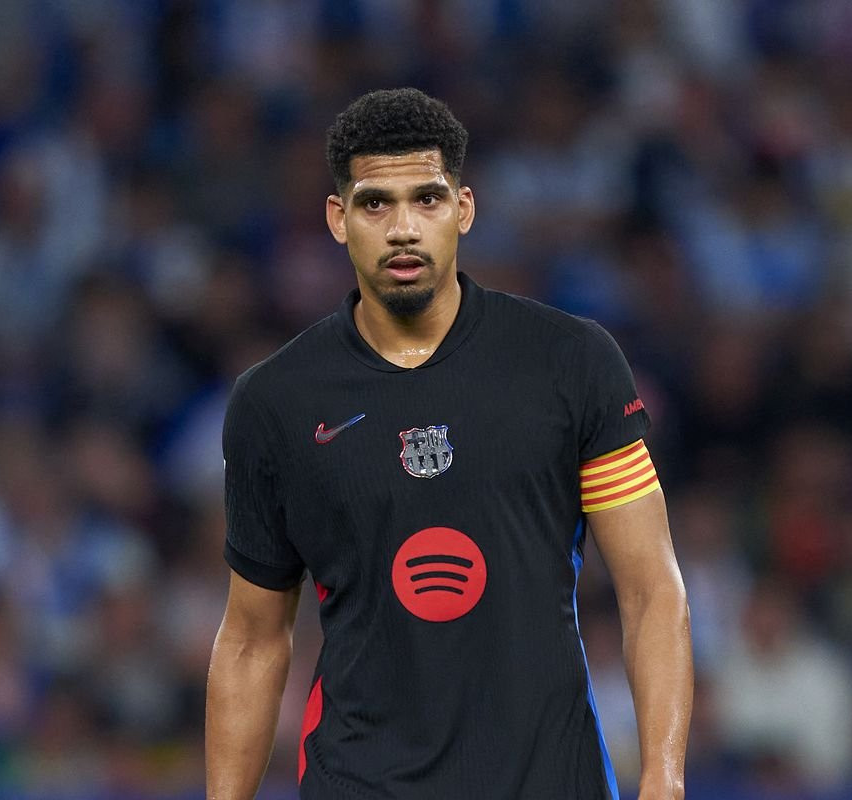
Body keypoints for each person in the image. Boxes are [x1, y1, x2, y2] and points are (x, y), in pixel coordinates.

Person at [206, 88, 693, 800]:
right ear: (338, 219)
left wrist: (664, 782)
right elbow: (252, 639)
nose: (403, 228)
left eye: (427, 199)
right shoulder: (275, 403)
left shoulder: (570, 363)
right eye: (376, 204)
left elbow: (651, 590)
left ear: (463, 209)